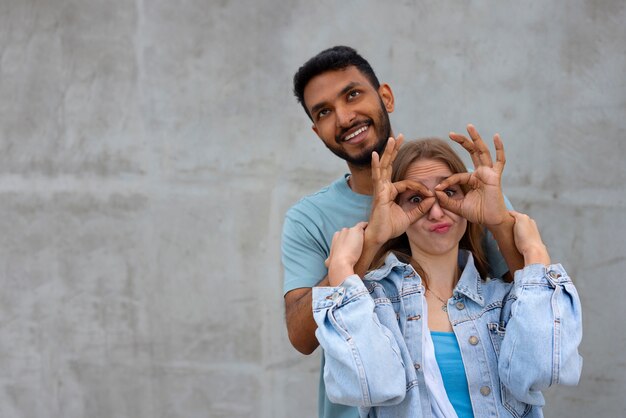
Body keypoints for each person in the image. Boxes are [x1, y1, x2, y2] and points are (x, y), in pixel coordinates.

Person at [282, 45, 521, 418]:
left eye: (353, 94)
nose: (344, 117)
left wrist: (499, 221)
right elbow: (301, 337)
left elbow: (531, 307)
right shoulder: (308, 217)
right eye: (325, 112)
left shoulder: (455, 190)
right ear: (317, 131)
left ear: (386, 97)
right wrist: (369, 243)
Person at [313, 134, 583, 417]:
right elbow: (372, 385)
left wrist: (534, 253)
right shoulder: (373, 304)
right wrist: (343, 269)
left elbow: (544, 371)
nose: (436, 212)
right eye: (416, 199)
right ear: (393, 210)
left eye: (449, 193)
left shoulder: (507, 301)